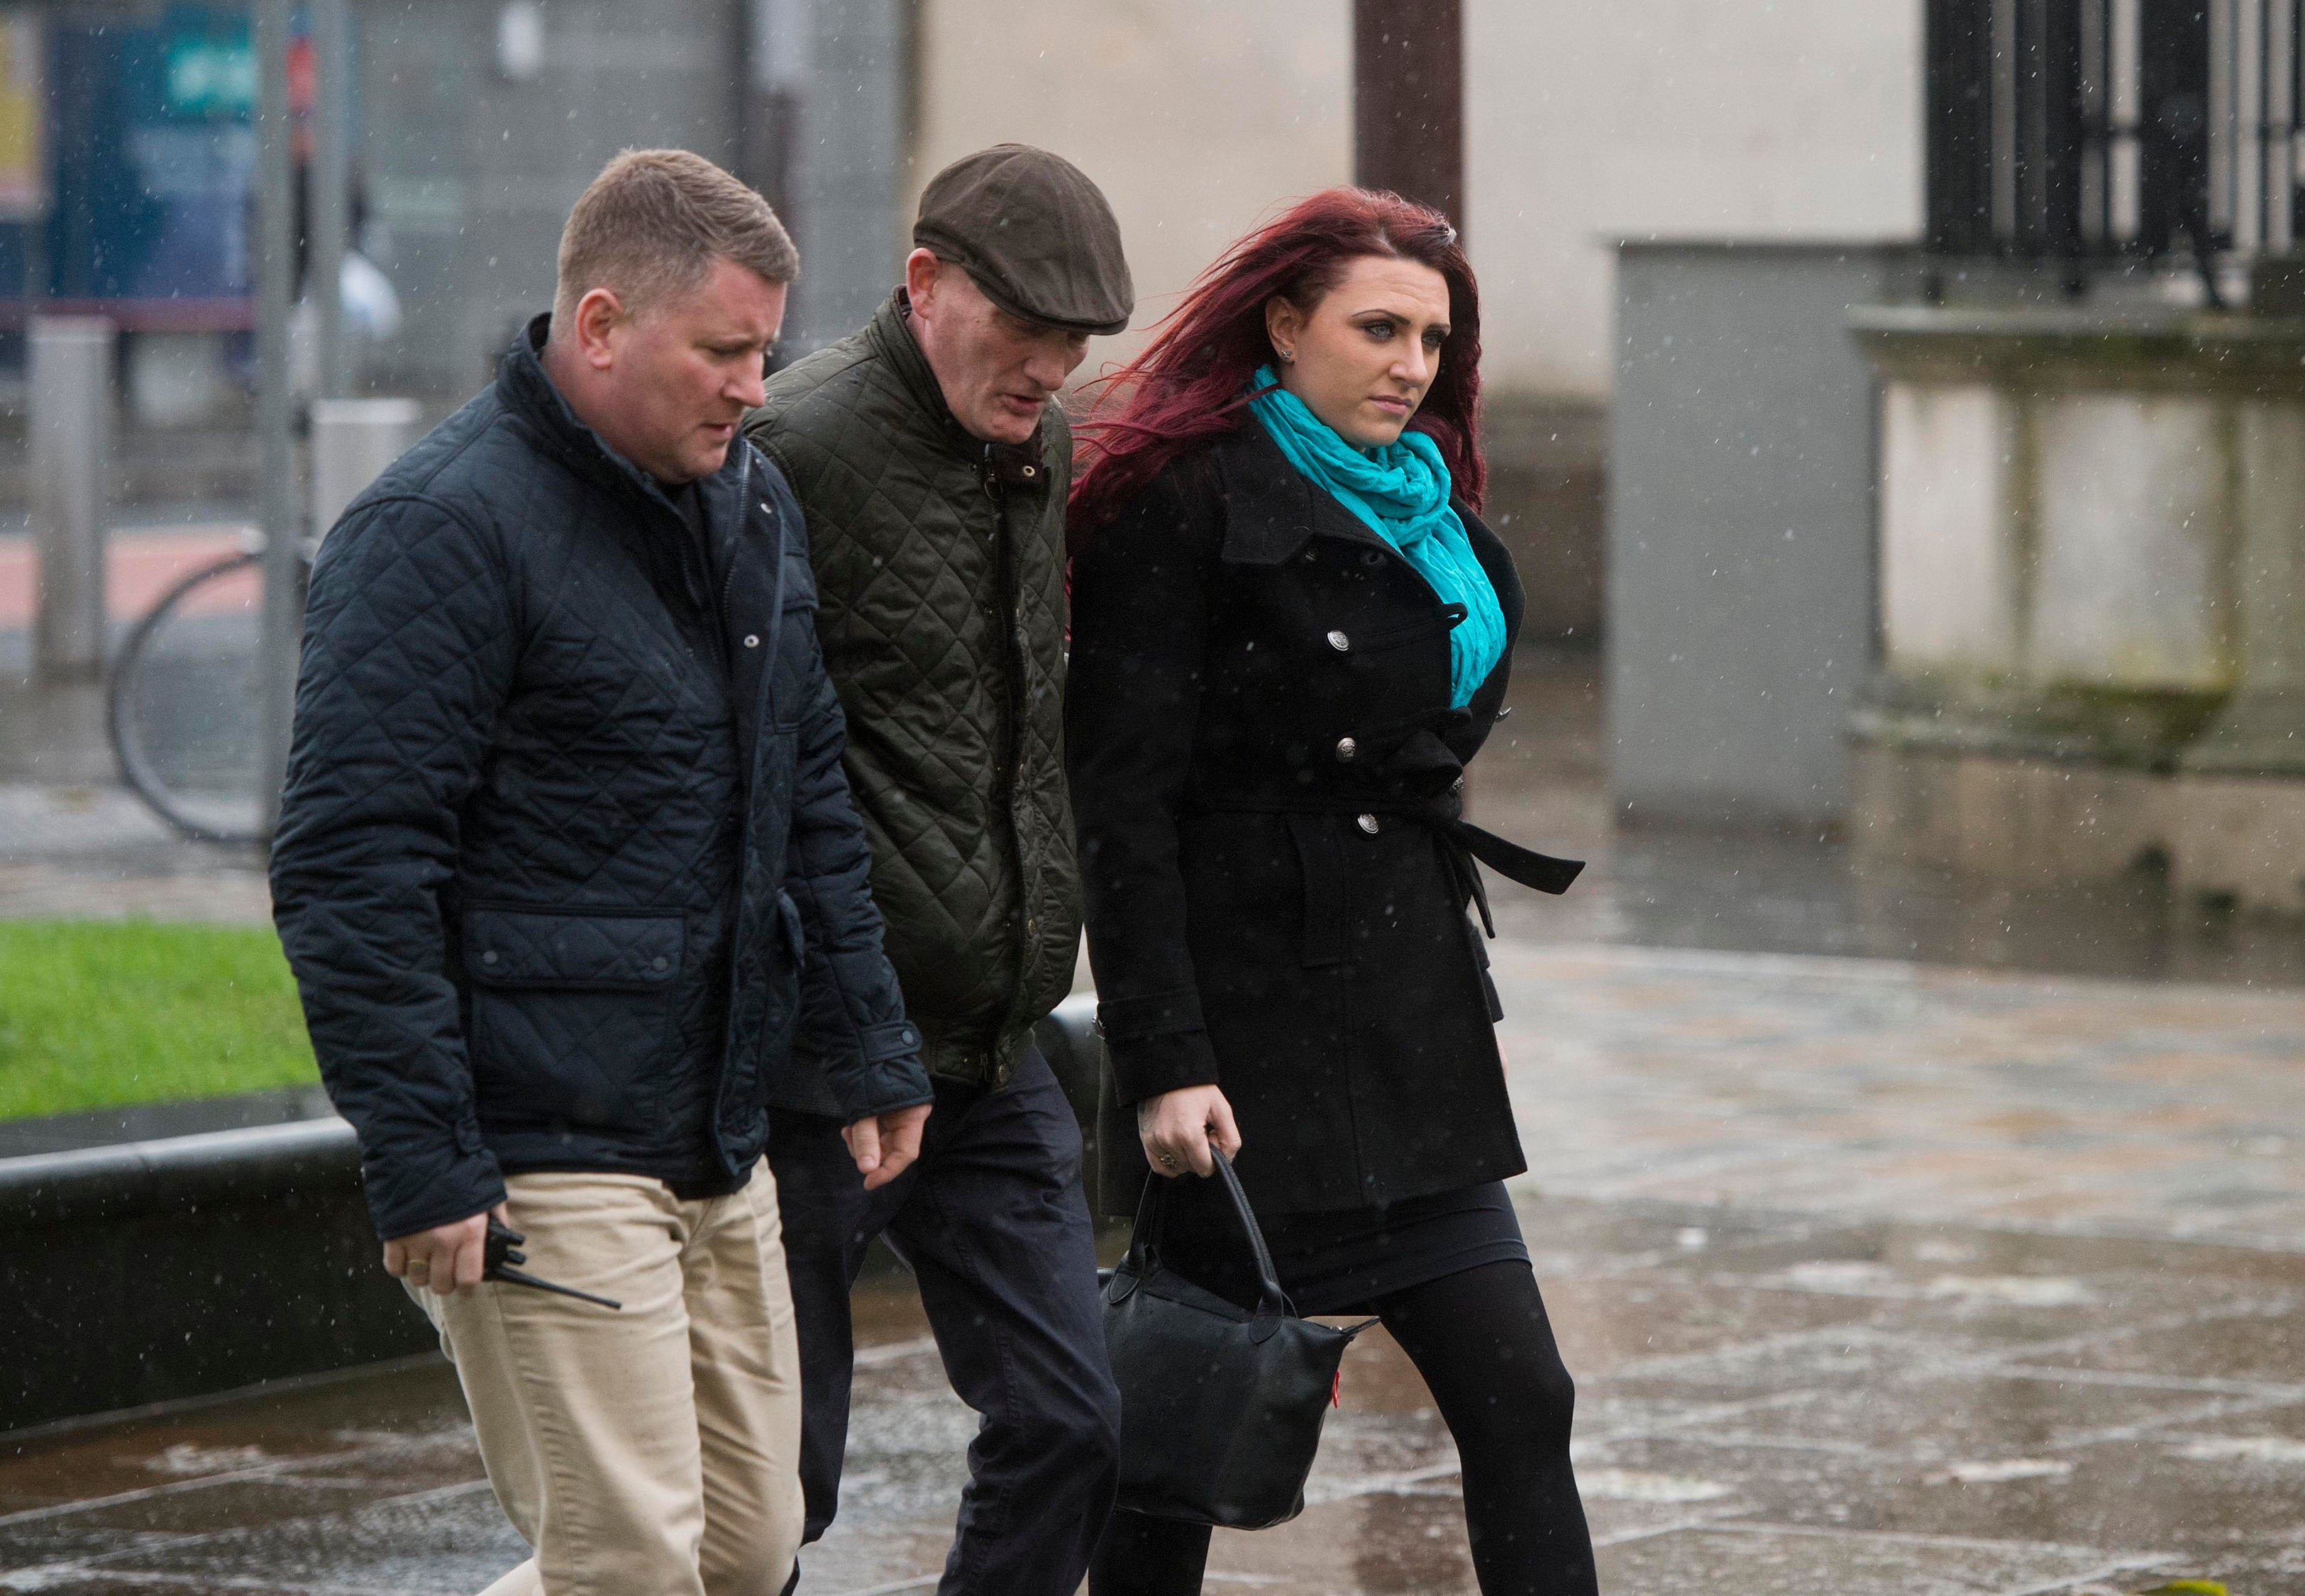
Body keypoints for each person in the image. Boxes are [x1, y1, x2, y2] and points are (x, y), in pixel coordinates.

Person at [270, 148, 936, 1596]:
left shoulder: (748, 507)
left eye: (764, 350)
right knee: (631, 1558)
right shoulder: (435, 528)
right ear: (600, 324)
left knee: (749, 1554)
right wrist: (423, 1152)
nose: (755, 386)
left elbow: (807, 793)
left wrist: (873, 1045)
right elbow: (348, 864)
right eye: (723, 350)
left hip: (716, 1128)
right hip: (534, 1142)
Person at [1066, 187, 1598, 1595]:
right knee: (1181, 1439)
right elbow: (1124, 806)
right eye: (1376, 328)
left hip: (1410, 1029)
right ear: (1284, 326)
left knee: (1522, 1401)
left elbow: (1424, 746)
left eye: (1432, 336)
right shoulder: (1179, 507)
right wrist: (1164, 1059)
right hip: (1244, 1044)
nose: (1411, 364)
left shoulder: (1439, 523)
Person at [745, 144, 1132, 1595]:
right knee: (778, 1482)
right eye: (1023, 328)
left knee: (1071, 1424)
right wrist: (836, 1032)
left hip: (993, 1046)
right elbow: (749, 773)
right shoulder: (790, 448)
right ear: (924, 286)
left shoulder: (1043, 441)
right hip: (819, 1057)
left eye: (1074, 343)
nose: (1050, 366)